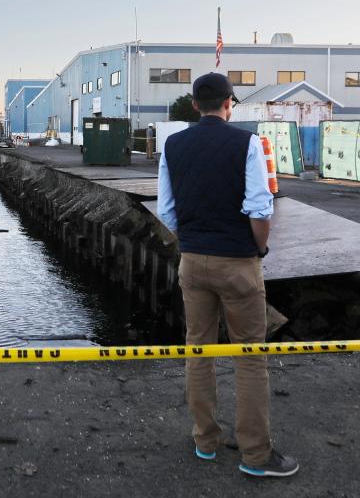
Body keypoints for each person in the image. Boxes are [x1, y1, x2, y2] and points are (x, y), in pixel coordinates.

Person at [157, 72, 298, 478]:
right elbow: (259, 208)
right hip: (237, 262)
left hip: (192, 260)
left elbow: (167, 209)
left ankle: (205, 440)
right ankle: (255, 455)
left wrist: (193, 239)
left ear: (196, 104)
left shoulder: (173, 145)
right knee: (250, 357)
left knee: (198, 349)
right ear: (228, 102)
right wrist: (258, 248)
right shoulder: (248, 143)